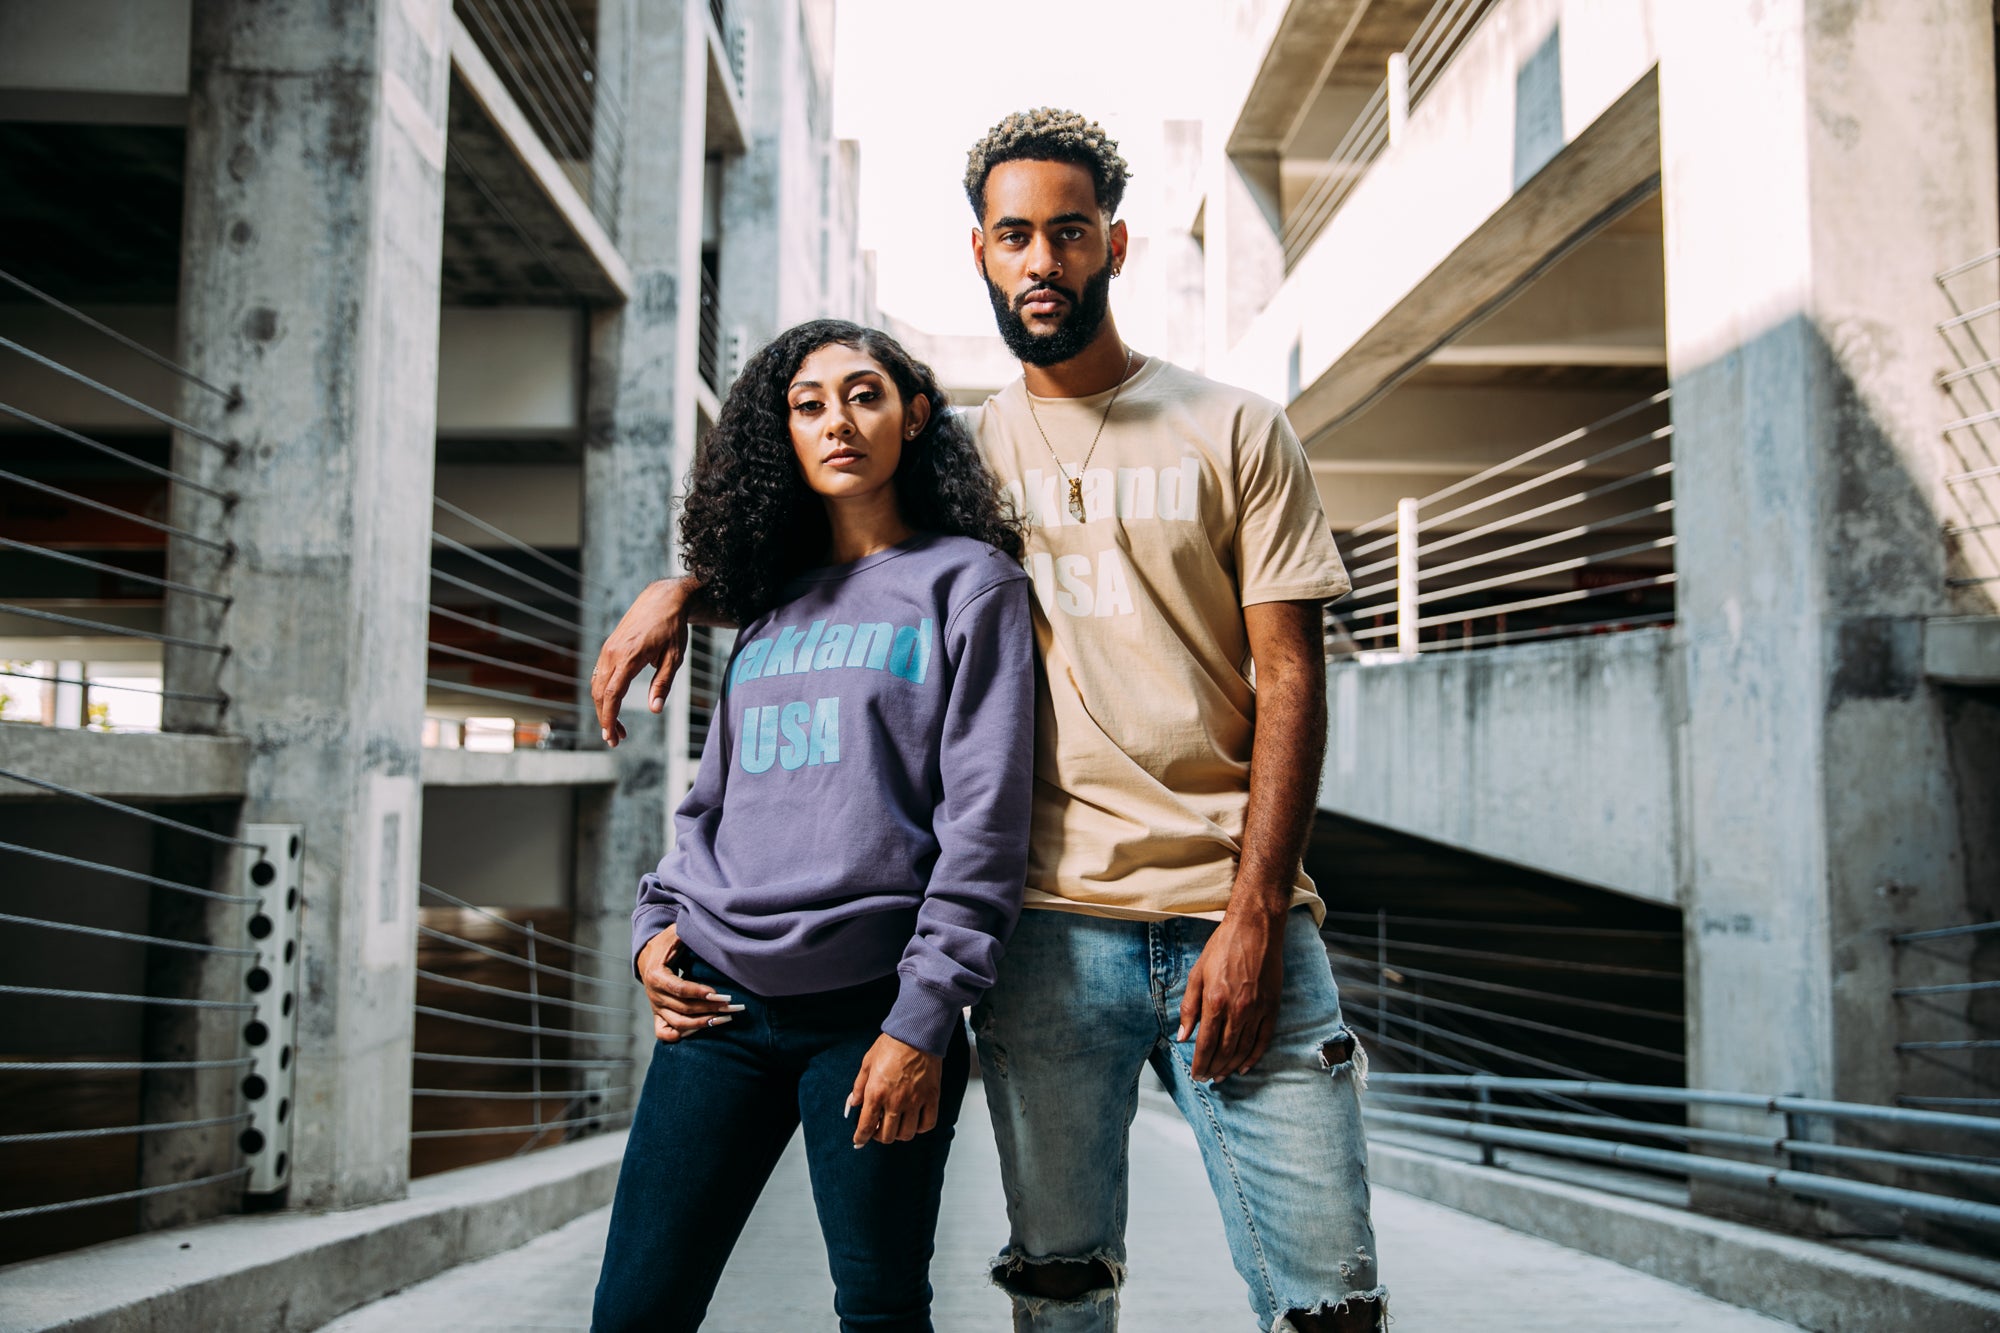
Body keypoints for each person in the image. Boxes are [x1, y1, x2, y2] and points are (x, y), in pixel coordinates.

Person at [593, 111, 1385, 1333]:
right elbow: (823, 519)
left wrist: (1252, 912)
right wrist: (688, 586)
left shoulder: (1232, 429)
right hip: (1051, 938)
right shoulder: (963, 456)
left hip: (1235, 920)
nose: (1040, 261)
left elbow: (1291, 684)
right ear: (980, 253)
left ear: (1112, 242)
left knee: (1327, 1300)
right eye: (1013, 236)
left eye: (1067, 233)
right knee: (1058, 1294)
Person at [590, 319, 1035, 1333]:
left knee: (878, 1309)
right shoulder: (768, 608)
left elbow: (984, 821)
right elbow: (714, 799)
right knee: (634, 1311)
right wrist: (652, 930)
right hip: (715, 1009)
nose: (838, 420)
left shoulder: (969, 584)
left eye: (865, 393)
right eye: (808, 403)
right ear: (780, 434)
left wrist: (922, 1020)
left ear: (913, 415)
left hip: (869, 1017)